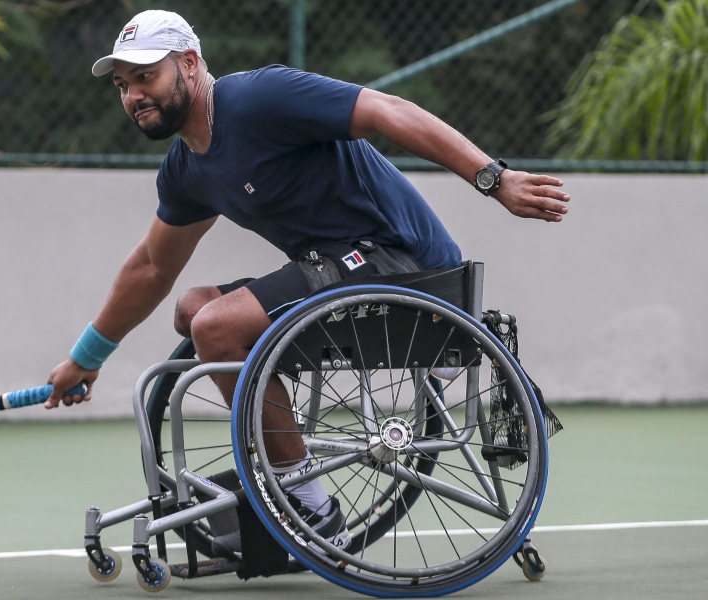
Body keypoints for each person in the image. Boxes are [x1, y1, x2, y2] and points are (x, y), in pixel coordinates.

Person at [45, 9, 570, 556]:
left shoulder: (259, 99)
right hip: (338, 270)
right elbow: (151, 267)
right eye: (123, 86)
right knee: (192, 308)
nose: (133, 96)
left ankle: (312, 508)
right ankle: (282, 458)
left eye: (145, 77)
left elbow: (390, 111)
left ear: (190, 64)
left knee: (216, 326)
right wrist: (88, 355)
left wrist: (495, 178)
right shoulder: (186, 170)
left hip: (407, 267)